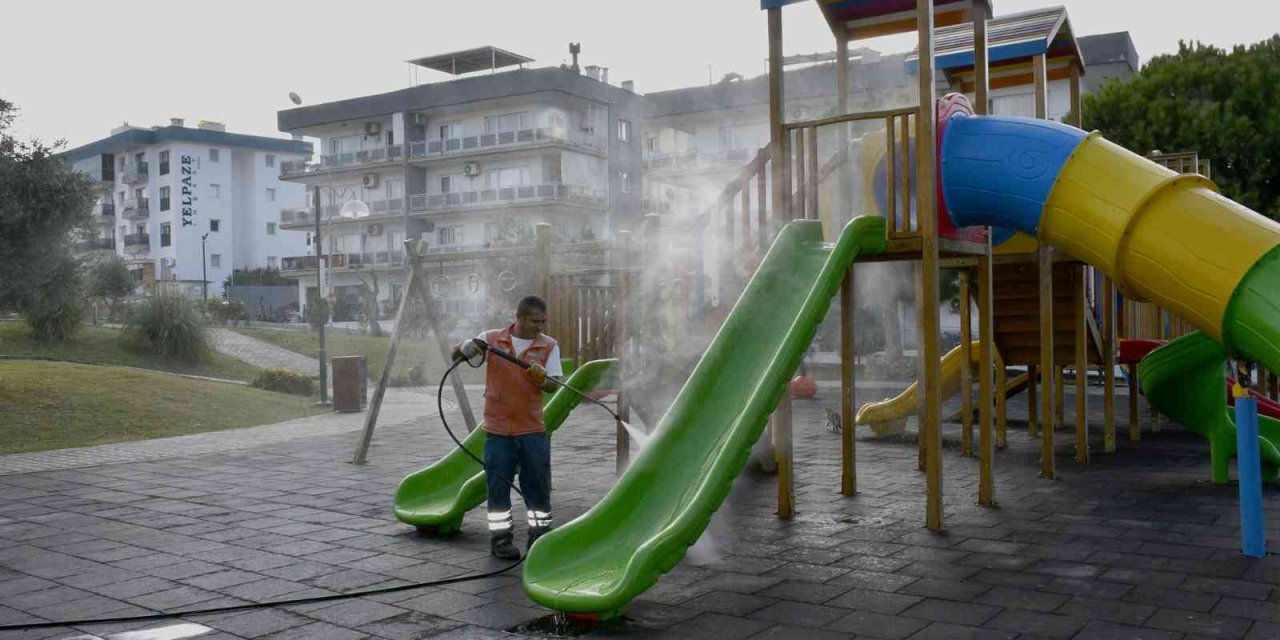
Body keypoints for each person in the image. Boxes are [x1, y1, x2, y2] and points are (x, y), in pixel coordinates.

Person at [454, 295, 562, 560]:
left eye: (543, 321)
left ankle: (540, 538)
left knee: (536, 486)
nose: (540, 326)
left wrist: (543, 378)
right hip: (498, 430)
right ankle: (501, 540)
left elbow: (554, 385)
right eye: (535, 321)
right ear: (520, 317)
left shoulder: (548, 345)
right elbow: (457, 355)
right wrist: (464, 347)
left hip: (532, 430)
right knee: (498, 488)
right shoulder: (491, 340)